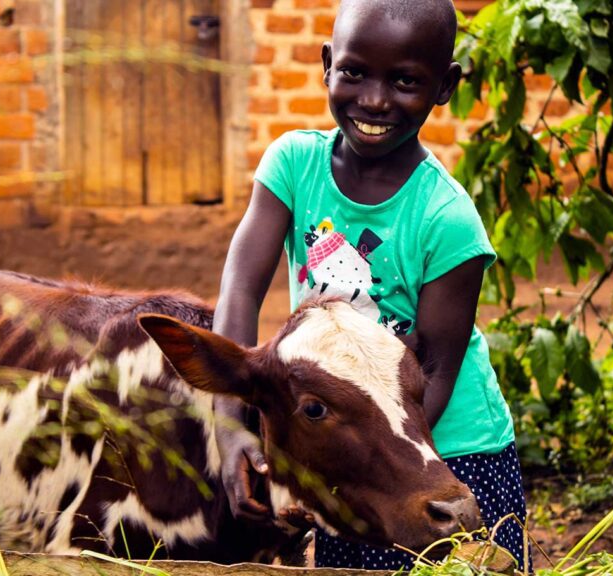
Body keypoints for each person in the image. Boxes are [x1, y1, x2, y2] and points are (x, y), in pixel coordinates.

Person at [211, 0, 528, 570]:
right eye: (355, 72)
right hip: (345, 450)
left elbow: (434, 370)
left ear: (444, 86)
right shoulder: (293, 165)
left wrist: (373, 467)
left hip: (448, 451)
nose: (375, 100)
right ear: (328, 64)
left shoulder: (446, 218)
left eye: (405, 81)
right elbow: (239, 289)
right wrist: (232, 429)